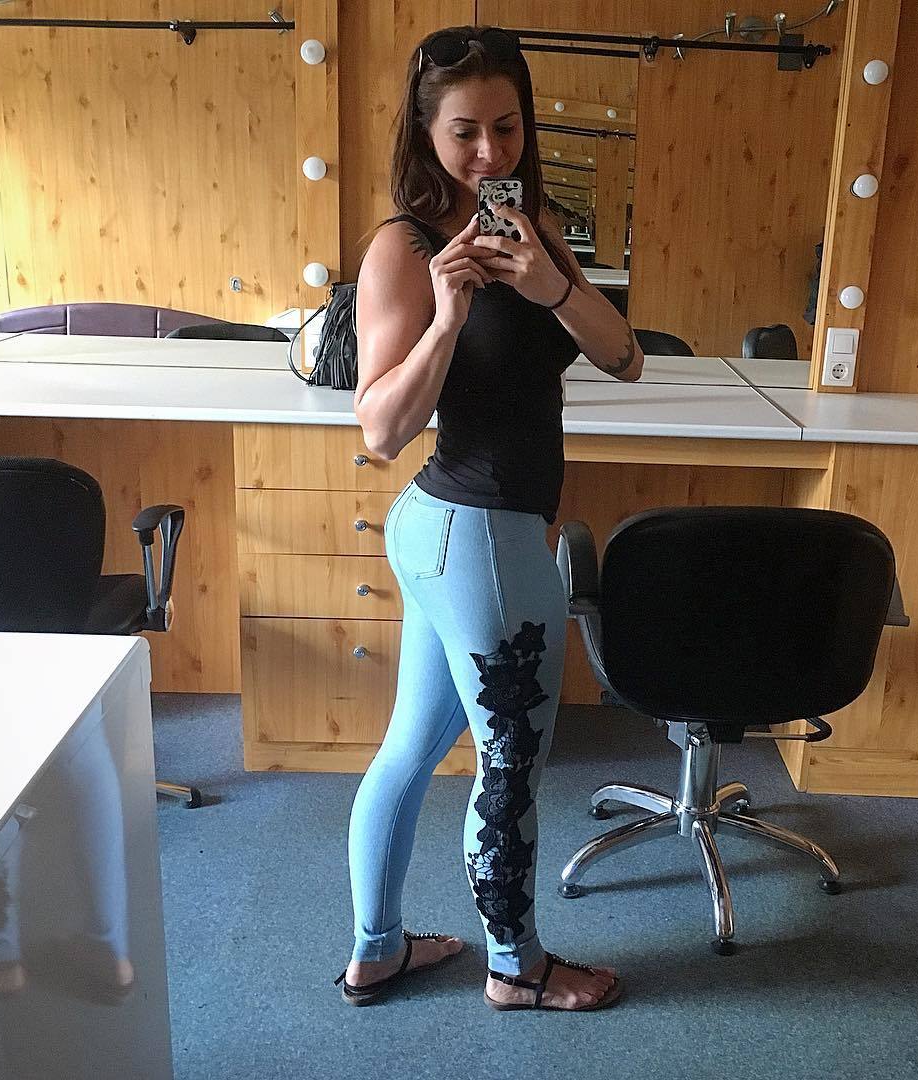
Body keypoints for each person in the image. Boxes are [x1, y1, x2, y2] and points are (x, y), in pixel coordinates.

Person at [337, 25, 644, 1013]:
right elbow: (382, 427)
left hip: (460, 536)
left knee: (413, 748)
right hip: (477, 535)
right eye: (464, 131)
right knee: (510, 768)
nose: (487, 153)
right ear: (426, 132)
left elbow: (625, 356)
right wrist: (447, 318)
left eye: (506, 128)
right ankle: (517, 967)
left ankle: (378, 951)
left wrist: (551, 284)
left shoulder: (533, 223)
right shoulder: (405, 247)